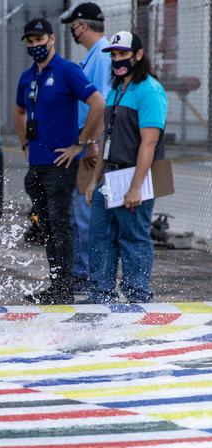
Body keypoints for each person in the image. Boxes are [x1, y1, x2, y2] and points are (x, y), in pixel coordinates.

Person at [13, 17, 106, 304]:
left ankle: (65, 286)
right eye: (30, 41)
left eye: (39, 40)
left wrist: (80, 143)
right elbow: (18, 111)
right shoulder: (28, 77)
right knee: (45, 226)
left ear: (51, 39)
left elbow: (98, 103)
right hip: (37, 163)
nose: (35, 45)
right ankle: (57, 283)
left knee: (61, 224)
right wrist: (25, 143)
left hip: (61, 164)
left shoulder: (67, 71)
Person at [84, 31, 167, 304]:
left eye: (123, 54)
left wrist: (135, 188)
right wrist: (94, 180)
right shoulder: (118, 90)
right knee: (100, 236)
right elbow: (106, 138)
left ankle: (138, 297)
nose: (118, 60)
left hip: (137, 176)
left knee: (133, 238)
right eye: (114, 55)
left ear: (138, 55)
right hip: (110, 176)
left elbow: (149, 143)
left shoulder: (150, 90)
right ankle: (101, 295)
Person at [61, 1, 112, 294]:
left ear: (82, 25)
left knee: (86, 214)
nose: (73, 32)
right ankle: (84, 273)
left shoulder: (102, 58)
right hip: (86, 142)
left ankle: (89, 277)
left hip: (90, 146)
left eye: (74, 26)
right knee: (80, 212)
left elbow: (103, 106)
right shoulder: (93, 57)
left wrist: (92, 144)